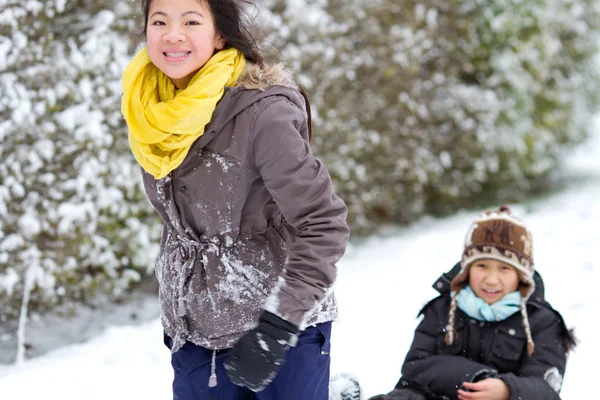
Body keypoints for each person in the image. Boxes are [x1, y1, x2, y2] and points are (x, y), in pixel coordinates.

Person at [121, 0, 350, 399]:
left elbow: (324, 224)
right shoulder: (150, 109)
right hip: (196, 334)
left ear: (220, 35)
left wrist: (279, 324)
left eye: (191, 21)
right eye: (159, 21)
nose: (172, 34)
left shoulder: (263, 114)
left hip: (280, 331)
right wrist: (180, 302)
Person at [365, 206, 576, 400]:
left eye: (505, 268)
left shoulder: (543, 322)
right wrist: (475, 377)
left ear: (522, 275)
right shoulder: (443, 308)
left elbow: (546, 389)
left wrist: (507, 389)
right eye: (482, 266)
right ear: (466, 269)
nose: (491, 279)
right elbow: (415, 367)